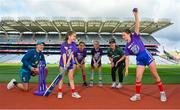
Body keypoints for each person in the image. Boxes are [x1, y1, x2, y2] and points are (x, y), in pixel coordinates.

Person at [122, 8, 167, 102]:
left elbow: (137, 25)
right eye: (122, 36)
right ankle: (137, 95)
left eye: (124, 35)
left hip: (146, 55)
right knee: (138, 77)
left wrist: (136, 15)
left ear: (129, 34)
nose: (123, 37)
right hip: (139, 59)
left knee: (155, 75)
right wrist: (126, 69)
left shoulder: (135, 36)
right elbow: (126, 58)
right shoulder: (126, 46)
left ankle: (162, 93)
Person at [57, 31, 81, 99]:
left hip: (70, 63)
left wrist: (68, 62)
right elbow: (64, 54)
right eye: (74, 36)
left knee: (71, 78)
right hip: (62, 63)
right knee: (61, 78)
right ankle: (59, 92)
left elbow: (71, 54)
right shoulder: (63, 45)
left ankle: (73, 93)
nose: (74, 37)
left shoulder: (74, 44)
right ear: (69, 36)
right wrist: (65, 64)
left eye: (75, 36)